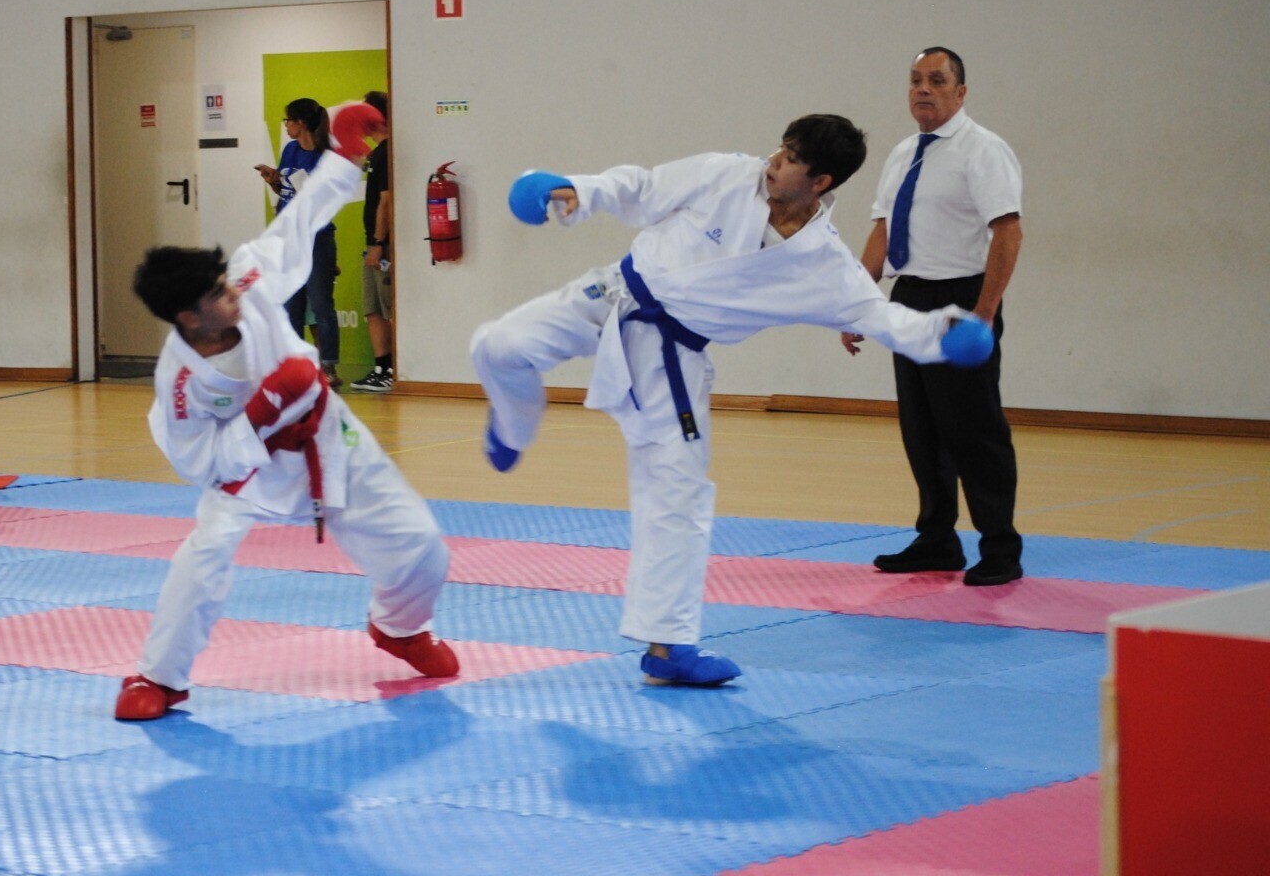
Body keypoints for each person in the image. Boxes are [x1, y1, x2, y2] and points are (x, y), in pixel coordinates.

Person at [471, 115, 995, 687]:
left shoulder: (821, 263)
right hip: (613, 295)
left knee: (677, 491)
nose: (774, 161)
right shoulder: (727, 174)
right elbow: (643, 188)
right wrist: (575, 188)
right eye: (781, 148)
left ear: (820, 182)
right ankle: (514, 425)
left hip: (673, 361)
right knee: (497, 346)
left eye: (791, 158)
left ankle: (669, 645)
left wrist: (945, 332)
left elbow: (879, 315)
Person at [115, 102, 458, 721]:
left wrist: (345, 157)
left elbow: (299, 222)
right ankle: (158, 677)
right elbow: (202, 464)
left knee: (423, 546)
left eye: (225, 280)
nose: (232, 291)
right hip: (246, 467)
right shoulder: (180, 385)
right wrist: (262, 411)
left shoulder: (244, 282)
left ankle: (400, 627)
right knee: (201, 561)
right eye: (217, 293)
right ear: (189, 318)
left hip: (324, 431)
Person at [841, 47, 1024, 587]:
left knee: (974, 429)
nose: (923, 88)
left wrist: (983, 314)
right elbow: (882, 232)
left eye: (937, 80)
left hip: (962, 297)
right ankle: (937, 539)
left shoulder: (983, 150)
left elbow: (1008, 231)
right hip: (909, 296)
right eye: (916, 79)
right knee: (921, 428)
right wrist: (857, 305)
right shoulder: (903, 153)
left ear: (960, 93)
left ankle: (1000, 547)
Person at [255, 97, 342, 390]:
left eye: (288, 121)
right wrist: (273, 180)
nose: (286, 126)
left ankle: (328, 366)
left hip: (316, 238)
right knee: (292, 305)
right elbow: (286, 190)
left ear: (300, 123)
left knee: (321, 304)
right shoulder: (290, 150)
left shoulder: (326, 155)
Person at [352, 90, 395, 393]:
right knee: (373, 308)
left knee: (389, 308)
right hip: (373, 243)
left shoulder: (388, 153)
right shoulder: (375, 154)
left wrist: (379, 243)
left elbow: (386, 202)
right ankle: (381, 368)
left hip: (382, 245)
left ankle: (394, 370)